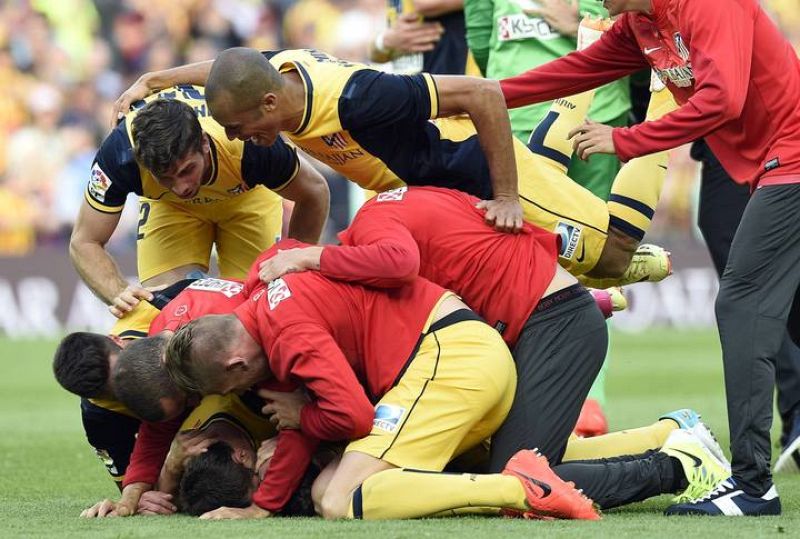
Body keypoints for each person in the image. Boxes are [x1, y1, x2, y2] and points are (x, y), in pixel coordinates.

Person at [498, 0, 800, 516]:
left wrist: (625, 140)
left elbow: (721, 100)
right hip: (773, 165)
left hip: (791, 159)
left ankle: (753, 488)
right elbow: (573, 71)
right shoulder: (641, 23)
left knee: (741, 305)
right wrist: (471, 97)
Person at [111, 47, 672, 283]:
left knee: (614, 252)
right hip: (426, 199)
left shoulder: (357, 97)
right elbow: (231, 69)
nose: (236, 138)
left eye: (238, 128)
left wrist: (504, 196)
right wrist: (160, 79)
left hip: (469, 170)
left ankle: (674, 90)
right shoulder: (276, 74)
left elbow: (483, 96)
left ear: (269, 105)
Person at [163, 239, 601, 521]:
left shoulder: (286, 334)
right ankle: (667, 437)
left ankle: (519, 488)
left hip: (448, 361)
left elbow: (352, 416)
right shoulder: (265, 293)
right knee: (331, 489)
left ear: (237, 365)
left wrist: (305, 417)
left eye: (230, 389)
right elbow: (298, 420)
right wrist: (264, 506)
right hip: (464, 357)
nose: (240, 397)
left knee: (338, 500)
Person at [71, 86, 329, 318]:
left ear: (204, 143)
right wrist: (118, 291)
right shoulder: (119, 156)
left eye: (186, 170)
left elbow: (315, 192)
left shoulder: (246, 142)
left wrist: (293, 258)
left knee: (254, 312)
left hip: (246, 198)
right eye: (165, 177)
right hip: (171, 208)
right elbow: (84, 241)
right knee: (162, 310)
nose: (181, 186)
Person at [72, 277, 248, 518]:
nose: (197, 404)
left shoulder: (226, 338)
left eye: (189, 398)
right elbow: (156, 431)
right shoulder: (163, 346)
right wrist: (129, 500)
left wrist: (263, 508)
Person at [692, 139, 800, 474]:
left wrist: (630, 140)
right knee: (749, 295)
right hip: (727, 144)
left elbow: (721, 97)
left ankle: (752, 479)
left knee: (745, 299)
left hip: (780, 142)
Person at [52, 279, 195, 489]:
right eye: (117, 394)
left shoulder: (155, 308)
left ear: (117, 340)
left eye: (123, 371)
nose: (130, 387)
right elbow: (135, 486)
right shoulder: (98, 415)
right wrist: (158, 482)